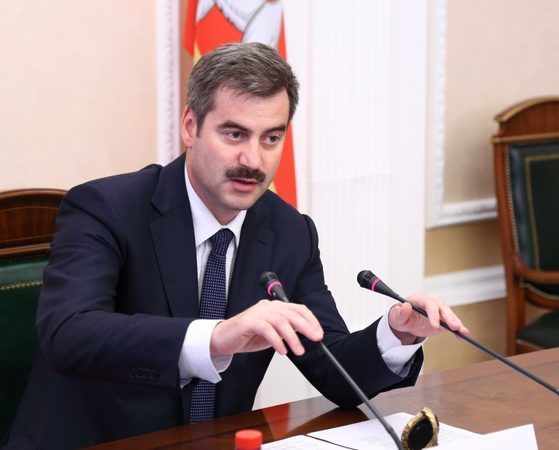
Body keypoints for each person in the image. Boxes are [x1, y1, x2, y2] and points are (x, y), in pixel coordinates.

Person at [4, 42, 468, 450]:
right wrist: (214, 337)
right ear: (191, 127)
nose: (253, 160)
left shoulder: (289, 232)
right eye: (234, 134)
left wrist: (397, 333)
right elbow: (69, 333)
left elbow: (336, 373)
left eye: (271, 138)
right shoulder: (106, 207)